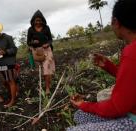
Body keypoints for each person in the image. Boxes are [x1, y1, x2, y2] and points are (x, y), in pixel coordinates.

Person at [67, 0, 136, 130]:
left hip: (131, 119)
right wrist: (108, 66)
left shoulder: (131, 52)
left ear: (116, 22)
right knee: (80, 116)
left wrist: (84, 104)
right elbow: (130, 82)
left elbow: (116, 107)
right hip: (128, 109)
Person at [27, 10, 55, 95]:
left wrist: (47, 44)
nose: (38, 22)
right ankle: (48, 82)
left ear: (42, 20)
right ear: (33, 21)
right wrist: (33, 42)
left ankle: (47, 88)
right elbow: (28, 42)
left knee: (46, 67)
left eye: (40, 20)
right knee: (43, 70)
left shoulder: (46, 28)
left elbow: (50, 39)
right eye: (36, 20)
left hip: (46, 50)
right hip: (36, 52)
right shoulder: (30, 29)